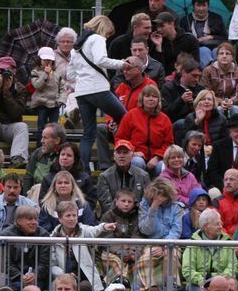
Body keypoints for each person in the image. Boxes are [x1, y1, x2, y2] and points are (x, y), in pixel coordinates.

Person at [71, 15, 128, 167]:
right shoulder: (97, 39)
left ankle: (83, 170)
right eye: (108, 33)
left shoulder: (76, 46)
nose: (107, 37)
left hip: (82, 92)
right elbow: (100, 60)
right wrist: (122, 64)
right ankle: (123, 153)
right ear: (104, 28)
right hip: (98, 89)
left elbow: (70, 73)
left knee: (88, 133)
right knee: (125, 118)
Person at [96, 54, 156, 170]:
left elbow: (149, 112)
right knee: (101, 128)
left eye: (128, 69)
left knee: (119, 129)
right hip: (119, 126)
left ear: (138, 69)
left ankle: (122, 164)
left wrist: (123, 123)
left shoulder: (150, 85)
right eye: (123, 69)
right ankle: (105, 167)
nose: (125, 72)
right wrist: (110, 121)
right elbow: (111, 107)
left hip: (137, 128)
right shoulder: (122, 87)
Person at [136, 178, 185, 291]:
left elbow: (176, 230)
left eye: (162, 195)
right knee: (145, 259)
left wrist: (164, 245)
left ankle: (172, 287)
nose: (159, 198)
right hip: (151, 243)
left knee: (171, 256)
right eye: (156, 195)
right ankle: (150, 290)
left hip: (171, 243)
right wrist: (153, 207)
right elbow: (145, 230)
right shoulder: (144, 206)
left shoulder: (177, 207)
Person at [114, 84, 173, 175]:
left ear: (158, 100)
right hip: (136, 156)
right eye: (147, 96)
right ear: (142, 99)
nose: (151, 99)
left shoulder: (164, 119)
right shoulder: (131, 115)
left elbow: (168, 143)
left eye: (154, 96)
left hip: (157, 158)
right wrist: (132, 152)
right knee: (137, 162)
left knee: (163, 166)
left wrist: (157, 157)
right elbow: (120, 138)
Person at [182, 208, 237, 291]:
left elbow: (233, 266)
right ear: (205, 226)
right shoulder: (193, 243)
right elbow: (187, 269)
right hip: (197, 284)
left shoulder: (227, 242)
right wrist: (201, 281)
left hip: (222, 283)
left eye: (220, 223)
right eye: (216, 224)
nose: (220, 227)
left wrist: (221, 280)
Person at [98, 187, 143, 285]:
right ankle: (118, 283)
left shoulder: (137, 217)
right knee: (116, 261)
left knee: (140, 261)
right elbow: (106, 238)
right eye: (123, 201)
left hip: (132, 251)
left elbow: (138, 237)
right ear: (116, 202)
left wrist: (133, 253)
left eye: (129, 201)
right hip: (111, 251)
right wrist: (121, 252)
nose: (126, 204)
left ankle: (138, 286)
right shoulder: (108, 216)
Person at [1, 205, 50, 291]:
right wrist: (20, 276)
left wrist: (34, 275)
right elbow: (6, 262)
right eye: (30, 219)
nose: (34, 222)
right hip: (13, 278)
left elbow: (44, 263)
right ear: (19, 221)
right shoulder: (6, 235)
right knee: (14, 288)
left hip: (37, 278)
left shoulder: (44, 235)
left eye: (35, 219)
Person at [97, 140, 150, 212]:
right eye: (118, 152)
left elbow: (145, 203)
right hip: (112, 218)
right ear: (114, 156)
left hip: (137, 217)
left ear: (132, 156)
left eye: (125, 153)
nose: (121, 156)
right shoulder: (104, 177)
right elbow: (106, 204)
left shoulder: (144, 176)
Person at [180, 0, 228, 68]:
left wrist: (210, 37)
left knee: (218, 52)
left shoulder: (216, 18)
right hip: (195, 49)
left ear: (208, 6)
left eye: (204, 5)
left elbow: (225, 37)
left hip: (215, 46)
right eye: (198, 5)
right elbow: (182, 39)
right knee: (204, 51)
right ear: (193, 6)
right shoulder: (186, 20)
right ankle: (210, 73)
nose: (201, 9)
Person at [200, 42, 238, 115]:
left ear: (232, 57)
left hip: (233, 104)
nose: (224, 56)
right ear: (217, 57)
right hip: (213, 104)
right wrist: (220, 102)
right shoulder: (208, 71)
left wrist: (231, 102)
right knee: (218, 110)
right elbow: (206, 92)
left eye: (227, 53)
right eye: (221, 53)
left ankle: (234, 127)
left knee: (236, 110)